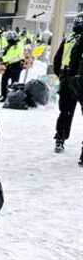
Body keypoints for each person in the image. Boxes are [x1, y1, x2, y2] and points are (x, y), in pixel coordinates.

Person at [53, 13, 83, 166]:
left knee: (65, 110)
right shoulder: (70, 38)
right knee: (66, 110)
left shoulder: (70, 37)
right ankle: (60, 137)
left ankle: (60, 138)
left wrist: (61, 74)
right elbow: (58, 57)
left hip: (68, 76)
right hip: (72, 77)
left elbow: (57, 58)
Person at [0, 31, 24, 101]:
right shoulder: (11, 45)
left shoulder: (18, 45)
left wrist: (2, 58)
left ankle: (13, 97)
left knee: (14, 82)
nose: (8, 41)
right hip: (10, 65)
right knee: (4, 80)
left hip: (16, 65)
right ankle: (4, 96)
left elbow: (12, 54)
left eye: (9, 39)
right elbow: (7, 52)